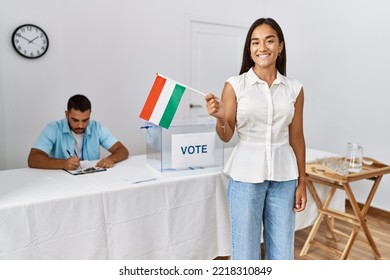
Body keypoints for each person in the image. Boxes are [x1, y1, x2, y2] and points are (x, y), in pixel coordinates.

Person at [205, 18, 307, 260]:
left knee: (282, 254)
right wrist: (220, 117)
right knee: (245, 254)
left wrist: (302, 180)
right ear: (249, 50)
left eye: (269, 41)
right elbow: (226, 134)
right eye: (255, 42)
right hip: (245, 179)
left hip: (285, 179)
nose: (262, 48)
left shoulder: (294, 88)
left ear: (280, 46)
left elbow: (297, 136)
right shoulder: (235, 85)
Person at [28, 94, 129, 170]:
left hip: (92, 180)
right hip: (61, 182)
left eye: (85, 120)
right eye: (75, 120)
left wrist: (111, 159)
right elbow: (33, 158)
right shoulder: (53, 128)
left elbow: (122, 150)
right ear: (66, 114)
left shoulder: (96, 127)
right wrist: (63, 163)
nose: (80, 126)